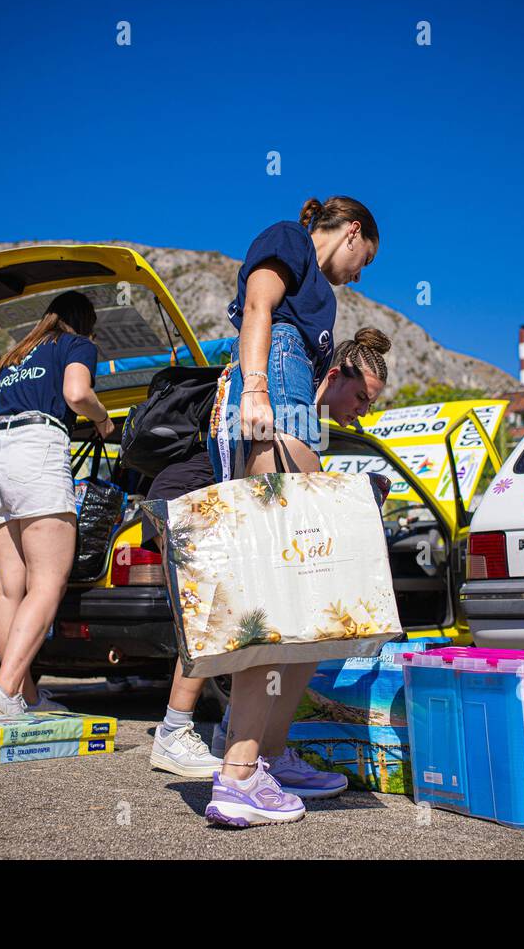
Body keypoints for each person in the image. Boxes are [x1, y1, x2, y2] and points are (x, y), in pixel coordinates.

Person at [192, 195, 380, 828]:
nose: (359, 271)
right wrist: (255, 389)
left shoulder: (324, 298)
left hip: (299, 427)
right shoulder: (290, 239)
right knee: (274, 606)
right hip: (273, 419)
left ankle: (268, 755)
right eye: (364, 256)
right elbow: (258, 306)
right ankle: (239, 775)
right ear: (351, 231)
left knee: (310, 613)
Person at [145, 328, 392, 780]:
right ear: (333, 375)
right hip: (187, 494)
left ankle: (230, 735)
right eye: (360, 397)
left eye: (369, 403)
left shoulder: (307, 420)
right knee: (221, 608)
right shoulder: (290, 407)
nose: (362, 411)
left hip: (207, 496)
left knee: (236, 607)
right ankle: (176, 732)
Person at [0, 291, 116, 716]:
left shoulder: (14, 357)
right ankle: (3, 691)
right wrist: (103, 419)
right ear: (85, 323)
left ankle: (22, 694)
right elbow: (76, 394)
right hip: (37, 448)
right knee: (48, 582)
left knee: (8, 588)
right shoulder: (77, 345)